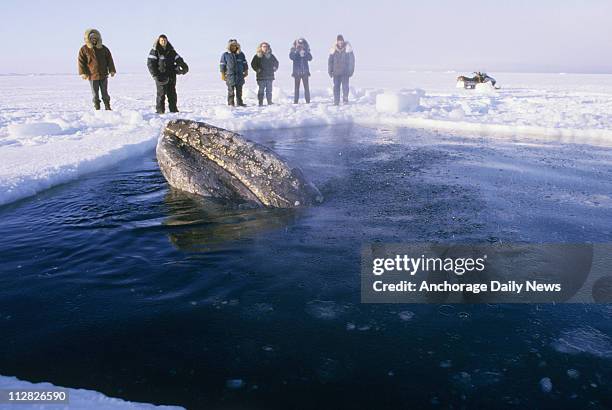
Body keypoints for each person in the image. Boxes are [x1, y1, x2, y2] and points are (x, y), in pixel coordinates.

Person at [147, 34, 189, 114]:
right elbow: (150, 64)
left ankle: (174, 110)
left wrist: (184, 66)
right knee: (161, 95)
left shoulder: (171, 51)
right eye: (162, 40)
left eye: (165, 40)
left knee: (172, 93)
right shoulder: (155, 51)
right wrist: (155, 75)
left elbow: (179, 59)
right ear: (158, 41)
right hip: (160, 76)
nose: (163, 42)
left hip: (171, 75)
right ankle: (160, 111)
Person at [78, 29, 116, 110]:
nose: (94, 40)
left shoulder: (103, 48)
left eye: (95, 38)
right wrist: (83, 73)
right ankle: (97, 108)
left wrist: (112, 70)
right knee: (95, 94)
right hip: (92, 75)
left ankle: (107, 107)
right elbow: (81, 62)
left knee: (105, 93)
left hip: (103, 75)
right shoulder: (84, 49)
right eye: (92, 38)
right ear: (89, 39)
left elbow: (109, 59)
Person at [220, 39, 249, 107]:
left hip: (240, 76)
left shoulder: (241, 54)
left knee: (239, 91)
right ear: (229, 46)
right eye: (232, 45)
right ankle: (231, 104)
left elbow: (245, 63)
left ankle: (240, 103)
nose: (234, 47)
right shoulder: (225, 55)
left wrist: (246, 71)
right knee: (231, 92)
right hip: (230, 76)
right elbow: (222, 65)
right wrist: (223, 74)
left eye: (235, 45)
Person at [328, 34, 355, 105]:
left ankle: (345, 99)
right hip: (336, 73)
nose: (340, 43)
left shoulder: (348, 49)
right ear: (337, 42)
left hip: (345, 72)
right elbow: (330, 61)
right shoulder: (333, 50)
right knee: (336, 87)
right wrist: (330, 71)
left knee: (345, 87)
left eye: (341, 41)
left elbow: (352, 61)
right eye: (339, 41)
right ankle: (336, 101)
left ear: (343, 41)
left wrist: (351, 71)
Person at [289, 38, 312, 104]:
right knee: (296, 88)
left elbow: (310, 58)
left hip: (305, 72)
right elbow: (291, 57)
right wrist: (296, 52)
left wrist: (305, 53)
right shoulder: (294, 51)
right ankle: (295, 102)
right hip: (297, 73)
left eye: (302, 44)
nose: (301, 46)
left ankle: (308, 101)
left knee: (306, 88)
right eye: (299, 44)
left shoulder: (306, 50)